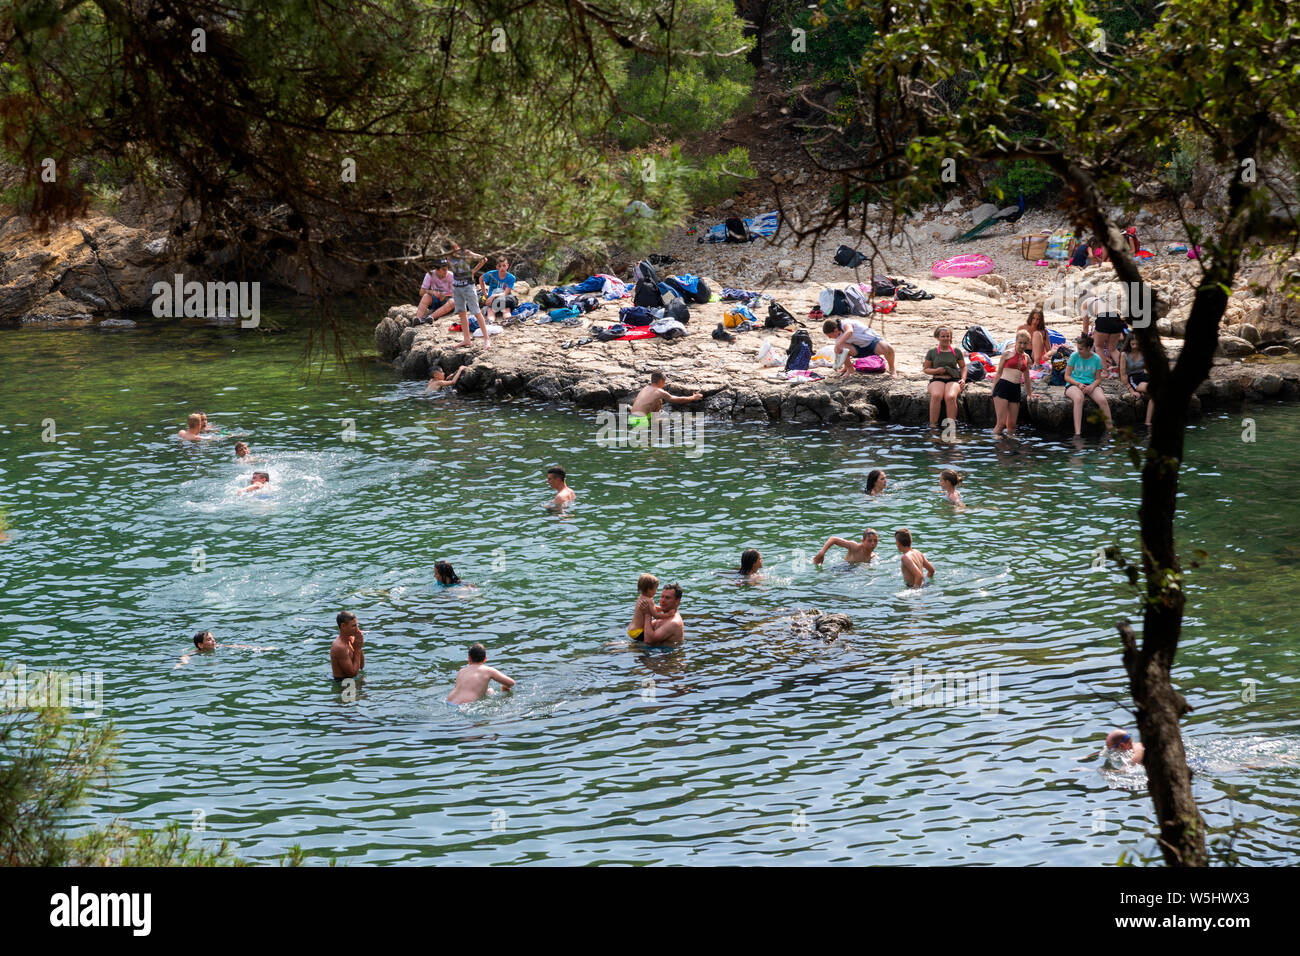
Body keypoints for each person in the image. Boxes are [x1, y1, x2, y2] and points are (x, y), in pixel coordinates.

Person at [1065, 334, 1113, 436]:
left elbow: (1098, 379)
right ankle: (1077, 433)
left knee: (1102, 400)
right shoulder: (1074, 356)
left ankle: (1110, 429)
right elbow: (1067, 376)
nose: (1078, 351)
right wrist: (1078, 384)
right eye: (1078, 348)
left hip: (1091, 384)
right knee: (1078, 398)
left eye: (1081, 349)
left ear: (1088, 348)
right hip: (1074, 384)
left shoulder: (1096, 359)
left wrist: (1092, 386)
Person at [445, 243, 489, 349]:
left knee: (476, 312)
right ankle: (466, 339)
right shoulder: (448, 256)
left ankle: (486, 339)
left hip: (468, 286)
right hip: (456, 286)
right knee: (462, 313)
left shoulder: (466, 253)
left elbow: (484, 259)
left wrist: (473, 271)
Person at [991, 330, 1034, 437]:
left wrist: (1030, 394)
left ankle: (1010, 449)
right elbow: (999, 373)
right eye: (1020, 342)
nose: (1022, 345)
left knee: (1012, 425)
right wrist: (993, 391)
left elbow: (1027, 378)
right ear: (1016, 341)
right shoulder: (1007, 354)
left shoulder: (1027, 358)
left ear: (1028, 344)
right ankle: (997, 449)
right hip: (1003, 387)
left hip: (1016, 389)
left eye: (1025, 343)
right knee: (1001, 424)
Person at [922, 326, 966, 427]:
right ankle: (933, 425)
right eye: (943, 336)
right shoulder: (932, 352)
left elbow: (963, 367)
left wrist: (963, 379)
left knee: (950, 397)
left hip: (953, 379)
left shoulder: (956, 351)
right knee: (937, 395)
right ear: (937, 337)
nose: (946, 338)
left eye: (948, 336)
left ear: (951, 337)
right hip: (937, 378)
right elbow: (926, 369)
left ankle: (950, 426)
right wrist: (936, 370)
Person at [628, 372, 703, 430]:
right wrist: (693, 397)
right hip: (640, 421)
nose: (663, 384)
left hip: (632, 418)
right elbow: (676, 400)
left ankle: (653, 421)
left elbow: (635, 400)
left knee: (659, 401)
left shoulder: (645, 389)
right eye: (664, 382)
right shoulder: (659, 391)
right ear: (661, 381)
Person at [823, 317, 896, 376]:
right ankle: (850, 369)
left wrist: (838, 344)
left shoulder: (845, 323)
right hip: (857, 349)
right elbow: (843, 353)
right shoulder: (837, 337)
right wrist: (845, 365)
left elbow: (849, 332)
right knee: (839, 348)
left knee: (888, 348)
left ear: (835, 330)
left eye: (829, 335)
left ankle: (892, 369)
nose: (829, 338)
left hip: (871, 343)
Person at [448, 643, 515, 703]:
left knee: (489, 691)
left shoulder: (461, 671)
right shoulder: (488, 671)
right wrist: (505, 687)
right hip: (466, 704)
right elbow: (511, 683)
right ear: (485, 659)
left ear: (469, 659)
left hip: (450, 701)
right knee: (491, 691)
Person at [176, 630, 273, 668]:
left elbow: (237, 646)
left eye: (213, 638)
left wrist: (262, 648)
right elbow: (185, 656)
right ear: (200, 645)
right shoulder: (197, 652)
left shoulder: (218, 646)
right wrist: (181, 663)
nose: (213, 641)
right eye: (209, 639)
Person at [1119, 335, 1154, 426]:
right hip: (1134, 379)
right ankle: (1148, 423)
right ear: (1129, 342)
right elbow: (1123, 375)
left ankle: (1148, 423)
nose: (1134, 343)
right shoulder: (1124, 354)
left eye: (1137, 341)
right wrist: (1130, 389)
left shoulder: (1143, 352)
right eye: (1132, 341)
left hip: (1145, 376)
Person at [329, 611, 365, 681]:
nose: (357, 629)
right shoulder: (339, 647)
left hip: (352, 681)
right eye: (354, 626)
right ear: (343, 626)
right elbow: (352, 673)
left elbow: (361, 666)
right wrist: (357, 649)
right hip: (342, 684)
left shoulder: (352, 639)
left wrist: (359, 646)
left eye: (357, 625)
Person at [813, 527, 879, 565]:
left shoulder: (873, 557)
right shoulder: (855, 547)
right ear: (863, 541)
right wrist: (821, 553)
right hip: (841, 568)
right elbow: (833, 539)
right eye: (869, 541)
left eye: (875, 541)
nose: (873, 543)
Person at [628, 573, 661, 640]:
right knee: (657, 639)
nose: (656, 591)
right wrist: (668, 614)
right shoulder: (649, 600)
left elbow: (653, 608)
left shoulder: (640, 598)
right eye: (656, 588)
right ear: (649, 589)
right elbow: (656, 615)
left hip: (631, 630)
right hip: (638, 632)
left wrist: (663, 609)